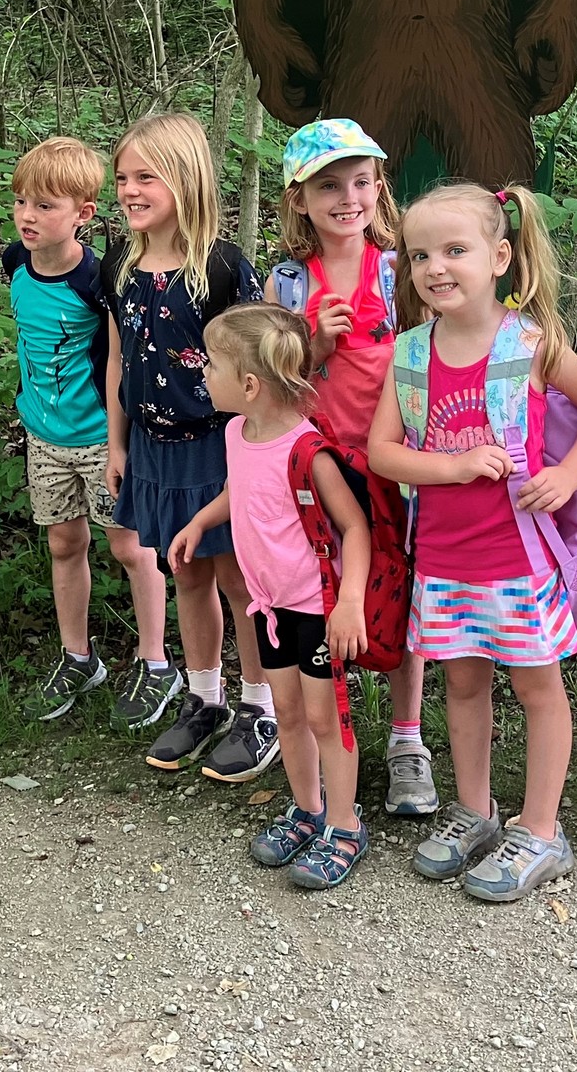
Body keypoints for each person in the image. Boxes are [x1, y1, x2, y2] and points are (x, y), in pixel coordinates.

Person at [368, 183, 577, 902]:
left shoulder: (532, 344)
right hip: (444, 563)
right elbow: (382, 450)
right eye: (420, 255)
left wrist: (569, 475)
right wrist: (448, 467)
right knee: (463, 683)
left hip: (519, 560)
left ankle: (541, 829)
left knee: (538, 688)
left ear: (500, 256)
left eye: (455, 250)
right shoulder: (409, 353)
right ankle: (474, 812)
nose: (436, 268)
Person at [266, 118, 439, 817]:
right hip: (320, 476)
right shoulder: (284, 283)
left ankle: (406, 740)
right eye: (329, 184)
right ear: (298, 199)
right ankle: (331, 732)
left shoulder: (402, 270)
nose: (348, 197)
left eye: (361, 181)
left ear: (379, 188)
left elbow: (435, 357)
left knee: (406, 601)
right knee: (328, 599)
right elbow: (270, 387)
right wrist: (311, 345)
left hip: (399, 469)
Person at [170, 304, 374, 888]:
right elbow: (241, 489)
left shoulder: (307, 450)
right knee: (286, 712)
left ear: (251, 384)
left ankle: (344, 824)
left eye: (212, 366)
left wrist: (350, 602)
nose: (203, 374)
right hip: (268, 605)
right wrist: (198, 523)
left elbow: (355, 527)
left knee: (324, 717)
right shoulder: (238, 431)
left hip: (314, 607)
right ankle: (308, 811)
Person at [101, 112, 269, 778]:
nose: (130, 190)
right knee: (186, 573)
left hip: (217, 448)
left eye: (146, 176)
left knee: (236, 578)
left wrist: (252, 456)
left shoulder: (222, 269)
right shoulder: (120, 261)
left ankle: (261, 708)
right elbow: (116, 354)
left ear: (185, 178)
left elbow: (257, 375)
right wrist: (118, 444)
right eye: (122, 178)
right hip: (152, 446)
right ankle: (205, 699)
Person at [6, 137, 181, 726]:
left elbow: (120, 358)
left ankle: (156, 662)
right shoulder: (14, 264)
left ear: (82, 213)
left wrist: (120, 439)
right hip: (45, 436)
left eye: (46, 206)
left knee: (130, 546)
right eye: (22, 202)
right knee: (63, 543)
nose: (29, 216)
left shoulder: (99, 278)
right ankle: (78, 657)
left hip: (101, 437)